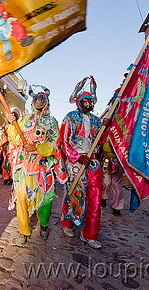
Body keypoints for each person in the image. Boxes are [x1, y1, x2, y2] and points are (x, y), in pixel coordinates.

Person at [6, 85, 65, 246]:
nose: (39, 100)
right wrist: (12, 124)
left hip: (42, 167)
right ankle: (24, 229)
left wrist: (37, 148)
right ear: (32, 101)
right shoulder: (24, 120)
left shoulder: (52, 122)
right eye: (36, 98)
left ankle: (44, 225)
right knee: (22, 198)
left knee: (46, 200)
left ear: (47, 102)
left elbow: (54, 144)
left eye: (42, 98)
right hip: (24, 167)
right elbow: (16, 139)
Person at [59, 76, 111, 249]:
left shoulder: (97, 120)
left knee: (95, 200)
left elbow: (102, 140)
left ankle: (90, 234)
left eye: (91, 101)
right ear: (79, 101)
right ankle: (67, 223)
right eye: (86, 100)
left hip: (93, 165)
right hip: (76, 164)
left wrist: (106, 127)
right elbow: (64, 141)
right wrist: (77, 156)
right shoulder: (70, 118)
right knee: (74, 195)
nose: (89, 103)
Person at [100, 140, 124, 216]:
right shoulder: (103, 130)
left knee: (116, 184)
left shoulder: (120, 131)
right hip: (105, 160)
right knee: (106, 183)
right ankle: (103, 198)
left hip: (118, 159)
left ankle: (117, 207)